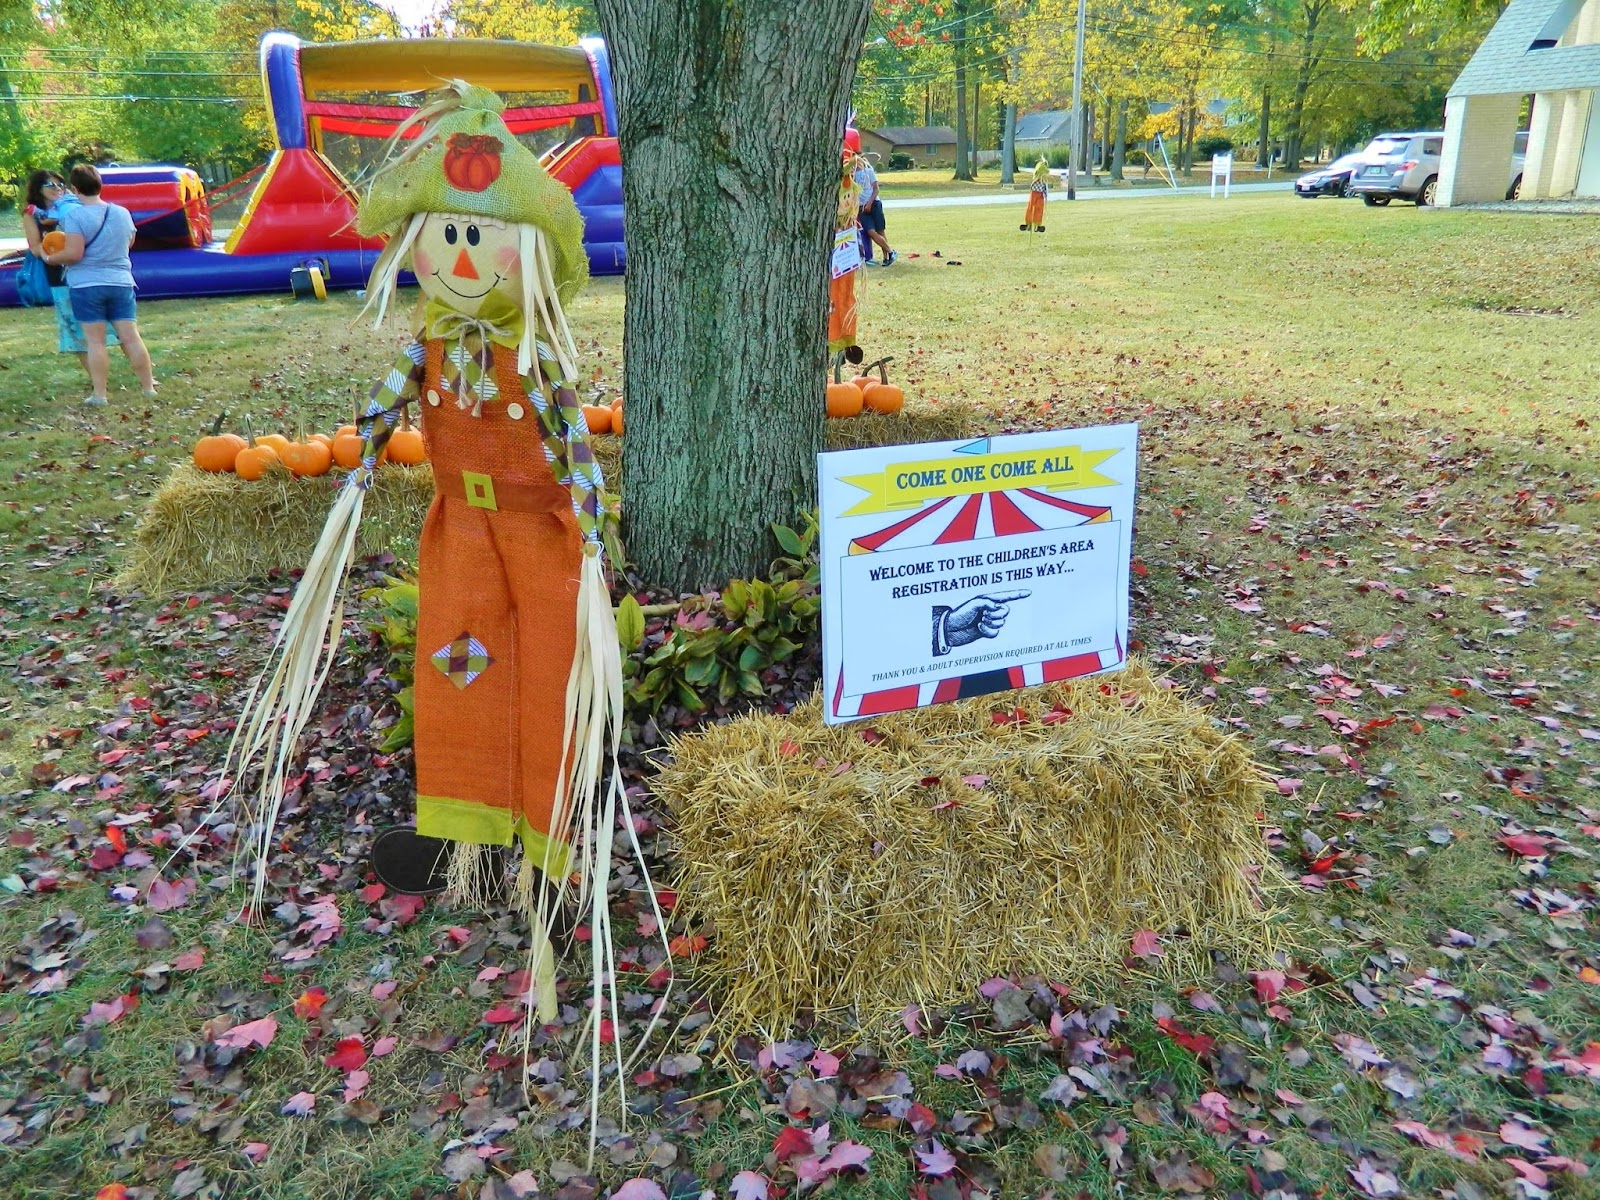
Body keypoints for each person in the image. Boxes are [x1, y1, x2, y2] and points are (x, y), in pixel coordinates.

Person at [41, 163, 156, 407]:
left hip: (87, 284)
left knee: (95, 342)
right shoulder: (121, 212)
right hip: (121, 282)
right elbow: (129, 242)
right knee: (131, 337)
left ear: (75, 189)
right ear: (100, 185)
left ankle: (100, 395)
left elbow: (74, 254)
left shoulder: (75, 216)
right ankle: (148, 387)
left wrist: (49, 257)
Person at [19, 169, 119, 386]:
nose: (57, 189)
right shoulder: (32, 214)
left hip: (89, 271)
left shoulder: (75, 206)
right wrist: (52, 251)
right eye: (50, 185)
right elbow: (34, 248)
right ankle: (98, 380)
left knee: (116, 324)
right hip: (59, 275)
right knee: (74, 329)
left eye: (60, 184)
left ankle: (142, 376)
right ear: (38, 189)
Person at [853, 153, 896, 266]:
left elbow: (876, 189)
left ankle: (886, 257)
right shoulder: (852, 175)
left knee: (880, 230)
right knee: (871, 232)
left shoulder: (869, 171)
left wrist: (869, 203)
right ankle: (891, 251)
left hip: (874, 204)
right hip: (862, 208)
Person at [1021, 157, 1051, 233]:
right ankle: (1029, 223)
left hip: (1040, 195)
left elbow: (1045, 189)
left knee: (1039, 209)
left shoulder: (1043, 182)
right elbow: (1032, 186)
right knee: (1031, 208)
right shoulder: (1036, 180)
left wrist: (1045, 196)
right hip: (1034, 194)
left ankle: (1037, 225)